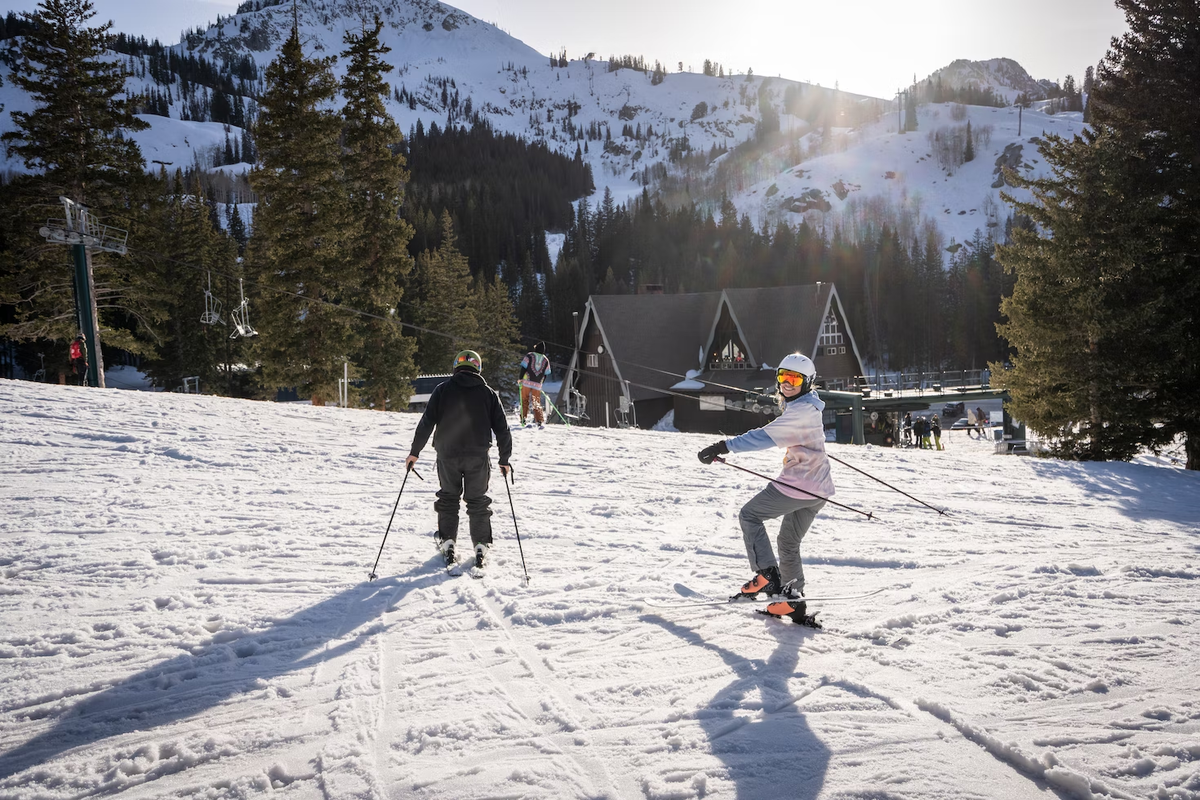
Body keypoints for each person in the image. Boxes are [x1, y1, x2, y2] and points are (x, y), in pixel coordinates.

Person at [696, 352, 829, 627]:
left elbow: (763, 437)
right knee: (788, 542)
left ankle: (766, 574)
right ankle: (792, 601)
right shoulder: (809, 406)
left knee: (749, 515)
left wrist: (723, 447)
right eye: (783, 377)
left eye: (794, 378)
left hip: (799, 486)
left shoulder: (801, 410)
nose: (787, 383)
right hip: (819, 488)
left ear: (808, 382)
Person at [406, 350, 513, 575]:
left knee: (448, 498)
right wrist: (504, 459)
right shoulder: (488, 394)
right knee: (477, 501)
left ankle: (448, 543)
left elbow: (426, 423)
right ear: (478, 368)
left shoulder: (442, 390)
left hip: (447, 455)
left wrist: (414, 453)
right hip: (477, 456)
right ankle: (481, 545)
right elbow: (503, 429)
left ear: (456, 366)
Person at [518, 342, 550, 427]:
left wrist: (520, 378)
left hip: (526, 382)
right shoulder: (545, 360)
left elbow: (523, 367)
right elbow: (546, 373)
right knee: (536, 402)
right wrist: (541, 382)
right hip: (537, 384)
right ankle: (539, 420)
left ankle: (523, 418)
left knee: (524, 400)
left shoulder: (530, 355)